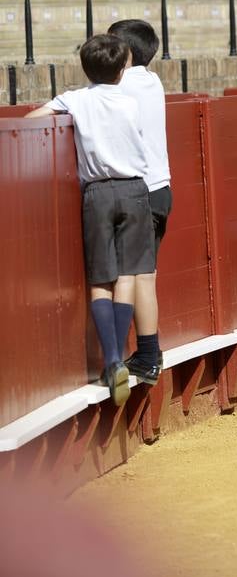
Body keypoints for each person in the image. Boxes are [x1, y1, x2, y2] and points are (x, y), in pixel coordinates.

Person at [25, 35, 156, 406]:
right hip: (133, 189)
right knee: (128, 275)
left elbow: (32, 120)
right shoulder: (130, 101)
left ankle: (112, 360)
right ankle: (119, 362)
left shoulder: (76, 99)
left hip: (97, 193)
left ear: (86, 68)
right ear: (122, 69)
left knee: (101, 280)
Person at [108, 19, 172, 386]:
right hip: (160, 189)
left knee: (135, 277)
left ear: (126, 53)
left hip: (139, 192)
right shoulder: (152, 80)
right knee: (143, 275)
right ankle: (147, 353)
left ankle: (146, 355)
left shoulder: (122, 85)